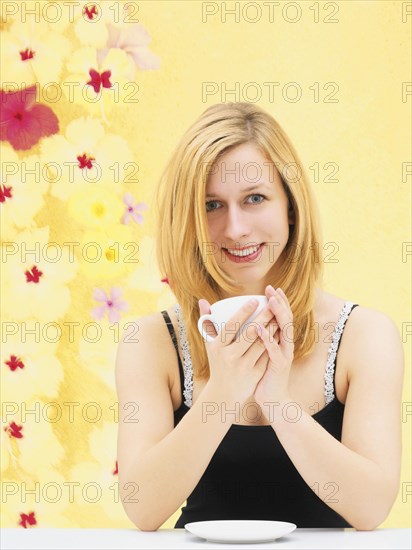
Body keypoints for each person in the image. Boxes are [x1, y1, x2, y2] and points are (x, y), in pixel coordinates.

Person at [115, 102, 404, 531]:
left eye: (255, 199)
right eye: (212, 205)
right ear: (189, 219)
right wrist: (225, 393)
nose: (235, 228)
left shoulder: (365, 336)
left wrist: (278, 404)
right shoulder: (150, 342)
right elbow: (142, 508)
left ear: (290, 206)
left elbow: (371, 509)